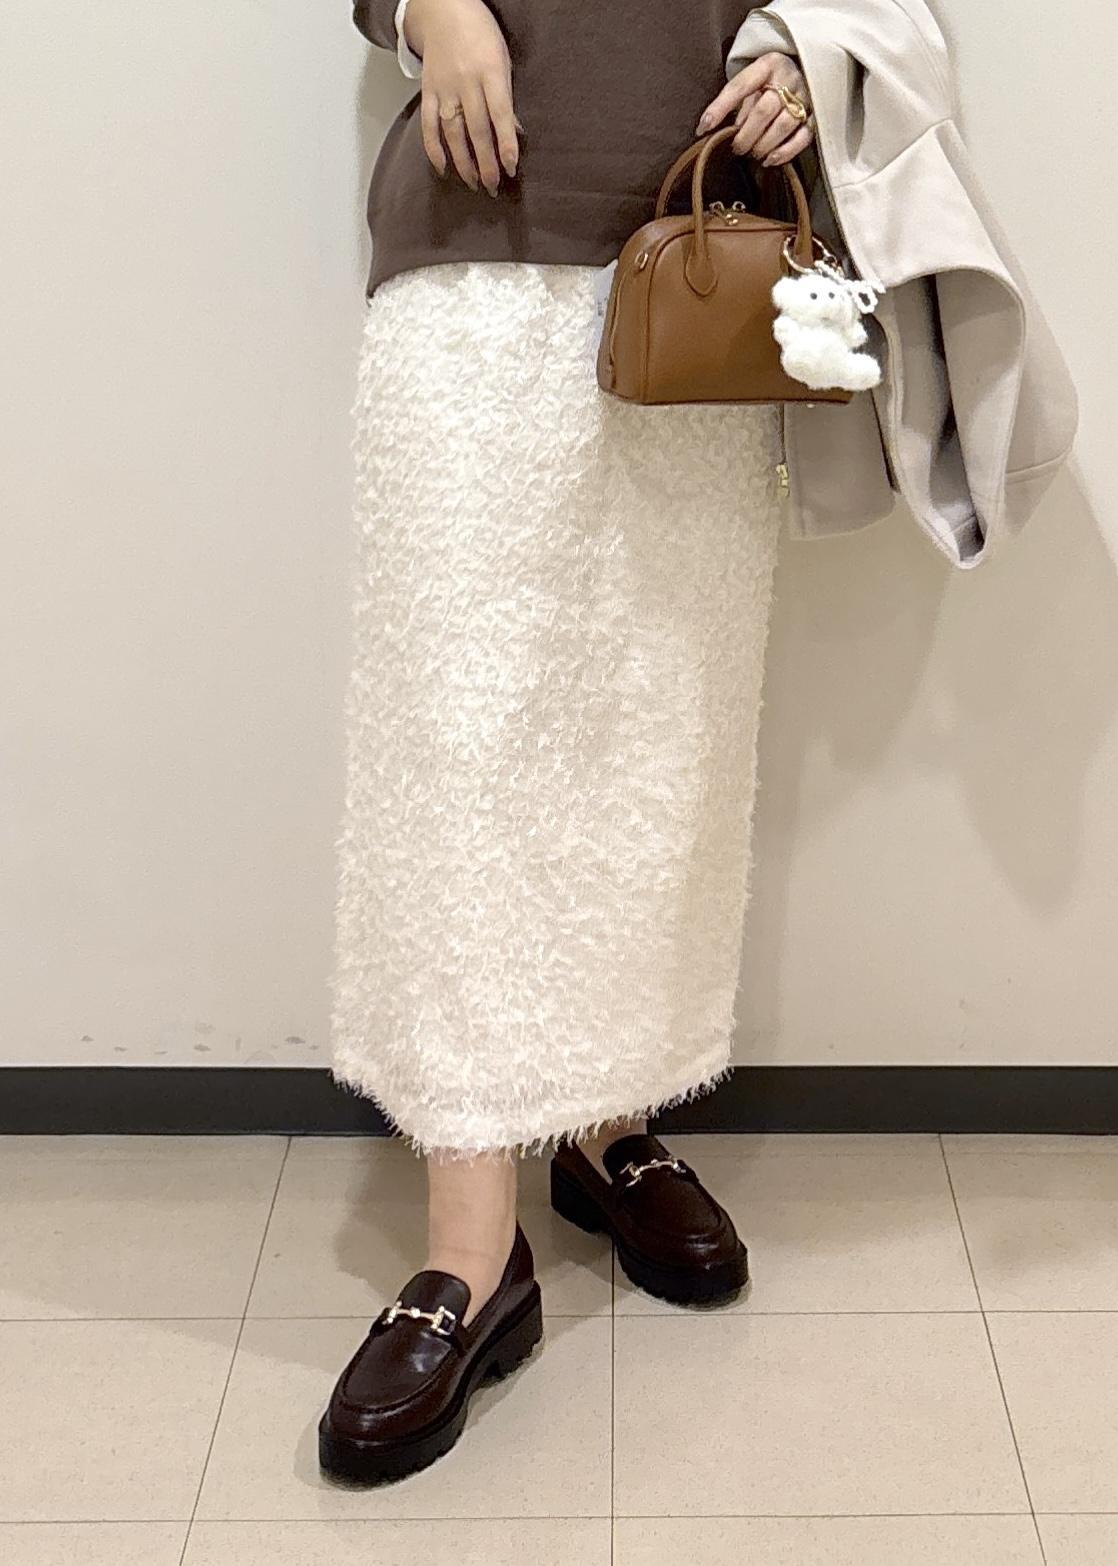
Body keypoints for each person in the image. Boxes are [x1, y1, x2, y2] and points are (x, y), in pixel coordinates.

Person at [320, 0, 816, 1484]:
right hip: (474, 250)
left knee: (659, 735)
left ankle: (609, 1122)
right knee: (458, 753)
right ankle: (472, 1250)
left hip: (702, 258)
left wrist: (805, 48)